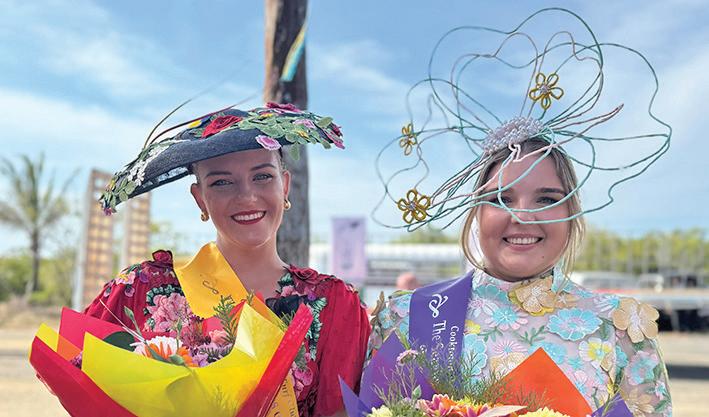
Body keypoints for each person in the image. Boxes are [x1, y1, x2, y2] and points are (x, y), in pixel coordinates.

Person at [368, 9, 672, 417]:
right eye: (501, 199)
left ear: (573, 211)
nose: (523, 216)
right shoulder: (405, 317)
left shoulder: (620, 329)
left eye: (546, 199)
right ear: (476, 212)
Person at [86, 102, 369, 417]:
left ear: (285, 186)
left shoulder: (334, 305)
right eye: (221, 182)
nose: (246, 196)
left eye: (263, 176)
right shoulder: (140, 289)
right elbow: (87, 381)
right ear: (200, 198)